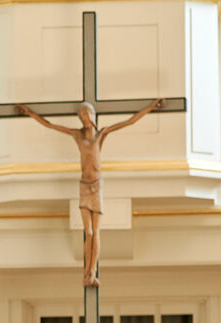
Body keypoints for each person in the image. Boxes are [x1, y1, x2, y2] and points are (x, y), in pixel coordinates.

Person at [17, 100, 164, 287]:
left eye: (87, 114)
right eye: (81, 116)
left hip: (97, 186)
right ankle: (86, 274)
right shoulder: (77, 135)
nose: (84, 118)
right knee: (88, 231)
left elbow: (129, 121)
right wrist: (29, 113)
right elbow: (50, 125)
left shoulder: (102, 134)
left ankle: (92, 272)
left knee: (97, 232)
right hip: (84, 187)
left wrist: (150, 108)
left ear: (93, 116)